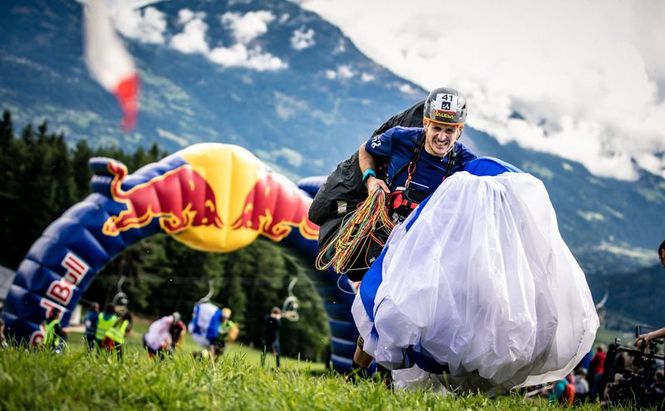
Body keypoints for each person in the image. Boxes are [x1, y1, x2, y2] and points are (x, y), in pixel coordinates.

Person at [351, 87, 477, 371]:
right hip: (387, 236)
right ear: (425, 122)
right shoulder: (400, 138)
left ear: (460, 131)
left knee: (404, 315)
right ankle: (357, 374)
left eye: (450, 130)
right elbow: (366, 150)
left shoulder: (465, 163)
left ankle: (385, 379)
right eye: (437, 128)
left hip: (425, 251)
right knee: (374, 307)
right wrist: (371, 179)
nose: (442, 137)